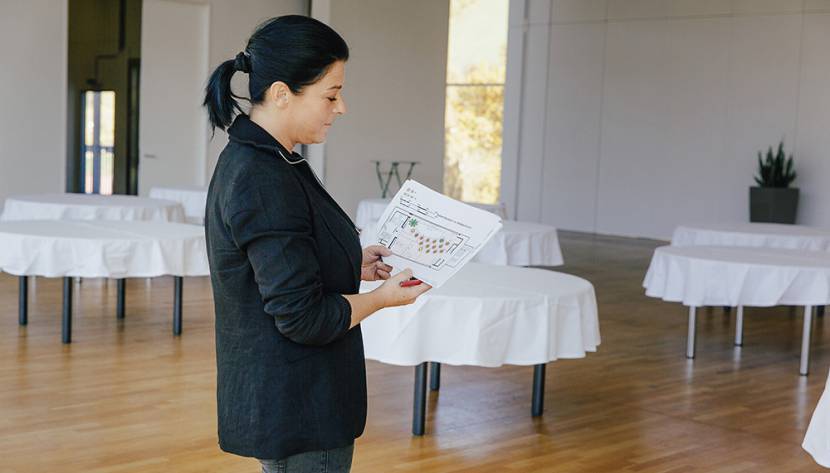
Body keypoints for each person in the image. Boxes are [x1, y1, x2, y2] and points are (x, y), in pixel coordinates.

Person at [202, 15, 431, 473]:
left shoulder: (268, 160)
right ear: (284, 93)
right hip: (301, 404)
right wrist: (384, 300)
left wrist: (352, 260)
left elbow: (284, 255)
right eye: (330, 95)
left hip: (294, 397)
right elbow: (303, 318)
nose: (340, 107)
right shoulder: (263, 178)